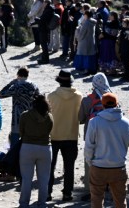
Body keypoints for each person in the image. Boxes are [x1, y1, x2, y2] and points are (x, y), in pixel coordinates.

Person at [84, 93, 129, 208]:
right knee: (120, 201)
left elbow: (89, 146)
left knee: (96, 201)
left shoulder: (94, 122)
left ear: (102, 105)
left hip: (98, 166)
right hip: (119, 166)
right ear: (116, 104)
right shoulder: (126, 122)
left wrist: (90, 162)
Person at [46, 70, 82, 202]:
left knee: (50, 167)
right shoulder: (78, 96)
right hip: (71, 135)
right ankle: (67, 193)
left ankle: (47, 192)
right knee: (69, 167)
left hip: (54, 135)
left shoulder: (51, 96)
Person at [18, 94, 53, 208]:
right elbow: (49, 131)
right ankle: (42, 203)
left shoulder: (25, 115)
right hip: (45, 148)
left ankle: (24, 203)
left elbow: (21, 132)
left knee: (27, 178)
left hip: (27, 147)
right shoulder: (49, 117)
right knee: (43, 179)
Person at [0, 67, 41, 148]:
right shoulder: (34, 85)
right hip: (31, 117)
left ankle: (14, 158)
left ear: (18, 75)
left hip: (17, 118)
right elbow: (39, 98)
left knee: (14, 143)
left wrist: (11, 83)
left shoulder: (16, 85)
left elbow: (0, 94)